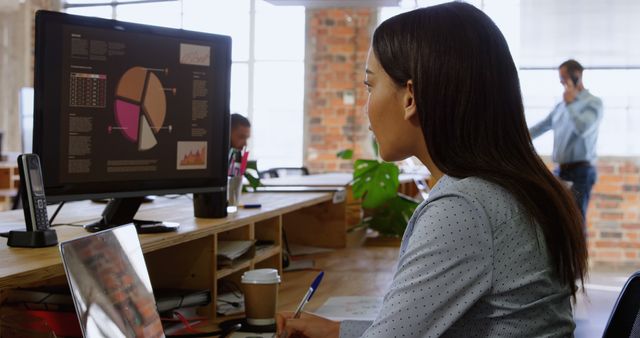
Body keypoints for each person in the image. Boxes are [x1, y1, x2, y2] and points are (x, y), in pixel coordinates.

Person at [277, 3, 587, 337]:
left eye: (370, 86)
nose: (367, 106)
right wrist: (339, 331)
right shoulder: (510, 188)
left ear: (410, 97)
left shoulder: (463, 207)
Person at [529, 59, 603, 225]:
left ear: (576, 75)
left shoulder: (593, 103)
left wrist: (571, 104)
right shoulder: (560, 106)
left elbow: (583, 128)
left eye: (564, 77)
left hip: (581, 172)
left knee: (575, 221)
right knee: (556, 218)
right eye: (560, 78)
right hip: (561, 171)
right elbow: (542, 126)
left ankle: (578, 252)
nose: (561, 81)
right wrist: (517, 136)